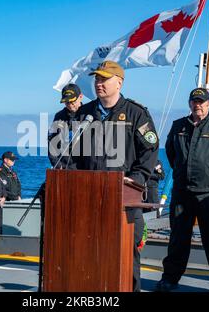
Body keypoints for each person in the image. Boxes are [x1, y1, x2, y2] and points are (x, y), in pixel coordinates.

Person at [72, 61, 159, 292]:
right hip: (90, 196)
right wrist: (75, 179)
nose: (98, 83)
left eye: (104, 79)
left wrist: (137, 179)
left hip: (124, 199)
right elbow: (71, 154)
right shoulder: (85, 113)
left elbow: (149, 151)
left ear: (119, 83)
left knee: (127, 257)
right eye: (97, 79)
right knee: (90, 254)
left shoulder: (136, 113)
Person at [156, 88, 209, 292]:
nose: (198, 105)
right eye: (194, 102)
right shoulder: (178, 126)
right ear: (189, 104)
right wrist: (182, 173)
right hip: (182, 192)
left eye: (202, 102)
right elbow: (171, 153)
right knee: (178, 238)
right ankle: (170, 279)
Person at [48, 83, 83, 169]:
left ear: (80, 97)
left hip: (84, 168)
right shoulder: (59, 116)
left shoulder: (89, 114)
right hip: (63, 167)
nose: (70, 105)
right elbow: (52, 143)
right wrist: (57, 164)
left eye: (73, 101)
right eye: (67, 102)